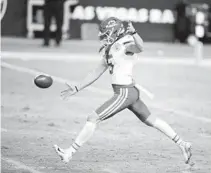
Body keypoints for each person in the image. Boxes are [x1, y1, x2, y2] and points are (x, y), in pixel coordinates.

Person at [54, 17, 192, 165]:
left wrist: (135, 33)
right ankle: (183, 144)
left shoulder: (125, 42)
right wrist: (77, 88)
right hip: (129, 91)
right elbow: (96, 72)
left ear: (115, 31)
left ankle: (69, 152)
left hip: (124, 92)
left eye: (106, 33)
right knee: (152, 120)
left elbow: (140, 47)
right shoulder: (110, 48)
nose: (103, 36)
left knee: (93, 118)